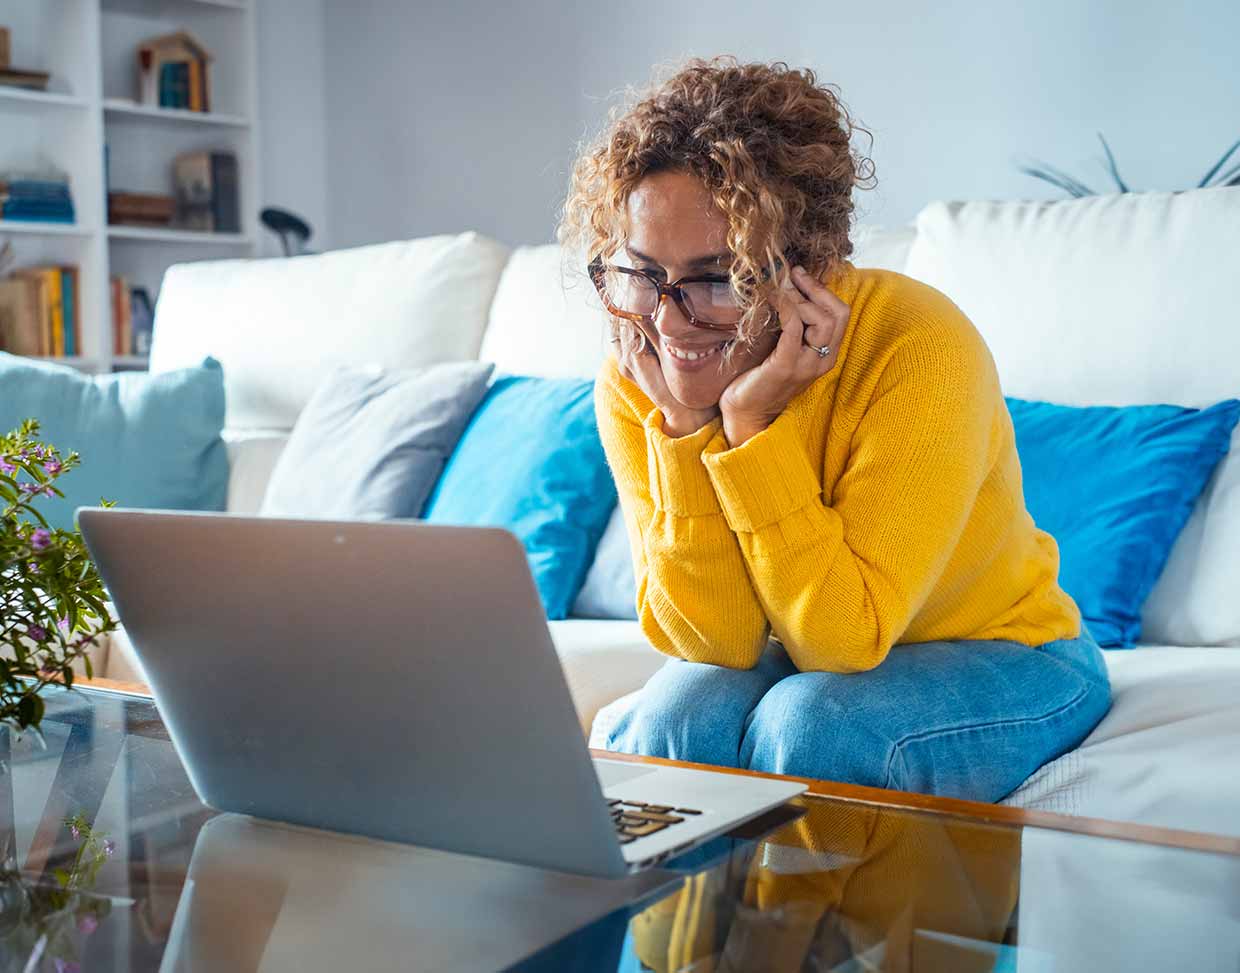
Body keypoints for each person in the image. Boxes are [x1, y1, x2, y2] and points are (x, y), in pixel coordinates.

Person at [558, 57, 1110, 802]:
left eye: (718, 280)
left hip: (1008, 651)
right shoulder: (640, 370)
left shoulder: (917, 345)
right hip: (802, 649)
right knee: (673, 720)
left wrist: (750, 428)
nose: (667, 320)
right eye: (642, 273)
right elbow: (710, 640)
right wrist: (688, 427)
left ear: (806, 265)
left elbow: (845, 638)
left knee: (816, 726)